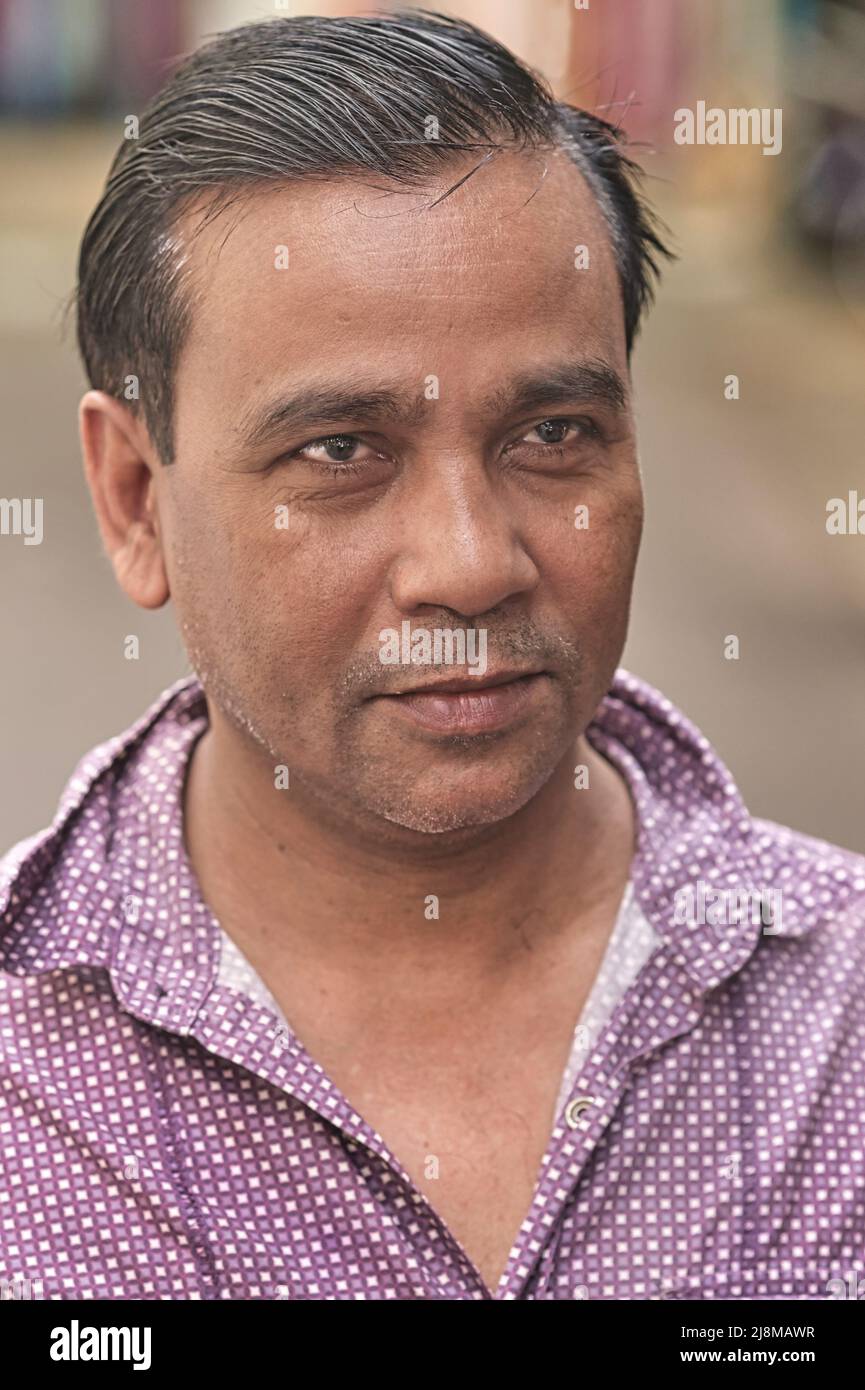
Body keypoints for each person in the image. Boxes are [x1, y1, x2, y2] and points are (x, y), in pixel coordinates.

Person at [1, 8, 863, 1302]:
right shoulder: (25, 1071)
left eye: (553, 431)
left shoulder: (838, 1027)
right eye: (340, 451)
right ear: (133, 497)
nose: (469, 562)